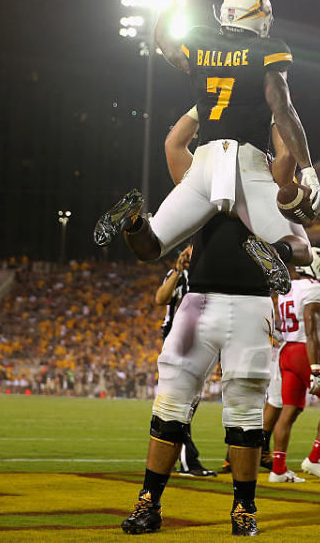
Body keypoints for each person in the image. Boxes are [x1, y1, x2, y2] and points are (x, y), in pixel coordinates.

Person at [120, 99, 304, 536]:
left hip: (239, 301)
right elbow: (174, 143)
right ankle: (158, 503)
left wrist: (268, 107)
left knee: (236, 411)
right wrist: (215, 98)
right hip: (204, 300)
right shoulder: (202, 175)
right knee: (176, 406)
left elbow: (286, 162)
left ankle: (238, 508)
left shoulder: (257, 172)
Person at [94, 0, 318, 295]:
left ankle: (132, 220)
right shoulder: (267, 50)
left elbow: (164, 44)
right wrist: (309, 168)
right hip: (247, 166)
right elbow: (283, 108)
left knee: (151, 246)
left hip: (204, 165)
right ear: (259, 19)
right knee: (300, 249)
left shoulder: (201, 42)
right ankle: (272, 253)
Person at [269, 248, 320, 483]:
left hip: (287, 351)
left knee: (289, 410)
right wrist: (315, 368)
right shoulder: (315, 289)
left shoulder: (288, 287)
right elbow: (311, 332)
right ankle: (315, 459)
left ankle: (278, 469)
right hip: (304, 351)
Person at [154, 245, 216, 478]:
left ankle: (175, 459)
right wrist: (178, 271)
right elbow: (161, 298)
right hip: (178, 343)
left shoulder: (209, 277)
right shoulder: (179, 275)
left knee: (188, 405)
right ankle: (188, 462)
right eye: (188, 253)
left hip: (200, 343)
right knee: (182, 406)